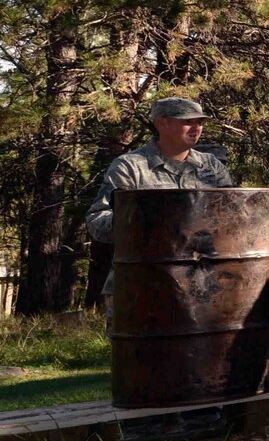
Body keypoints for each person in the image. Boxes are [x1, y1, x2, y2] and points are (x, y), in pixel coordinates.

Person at [84, 97, 236, 321]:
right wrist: (135, 224)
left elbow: (232, 218)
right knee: (142, 355)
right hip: (142, 285)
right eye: (188, 122)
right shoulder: (131, 167)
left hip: (201, 286)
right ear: (162, 123)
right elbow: (97, 221)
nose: (196, 128)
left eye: (200, 122)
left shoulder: (211, 167)